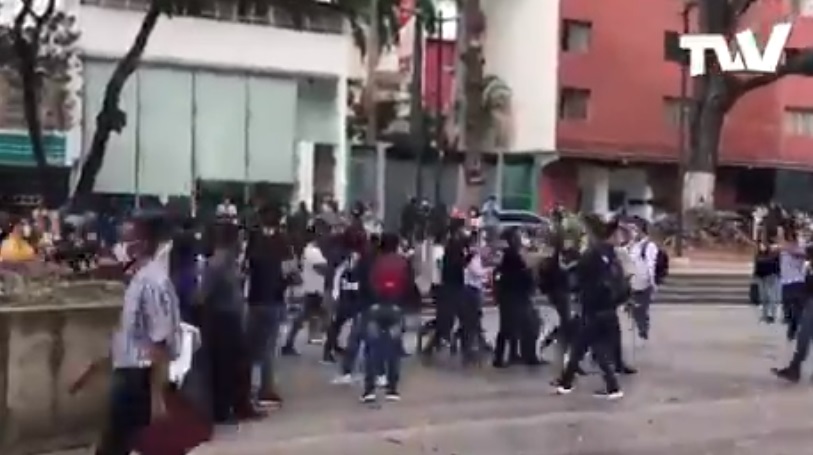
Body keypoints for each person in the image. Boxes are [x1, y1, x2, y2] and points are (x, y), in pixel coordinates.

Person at [71, 212, 182, 455]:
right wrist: (97, 368)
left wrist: (157, 397)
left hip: (139, 379)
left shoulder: (152, 283)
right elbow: (131, 336)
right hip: (130, 375)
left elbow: (159, 342)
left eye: (127, 238)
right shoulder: (139, 280)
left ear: (142, 243)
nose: (121, 245)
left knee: (117, 445)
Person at [553, 214, 625, 400]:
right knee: (593, 347)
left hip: (594, 308)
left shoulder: (594, 253)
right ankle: (610, 386)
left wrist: (575, 288)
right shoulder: (610, 256)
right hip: (607, 308)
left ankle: (566, 383)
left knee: (580, 346)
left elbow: (578, 276)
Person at [245, 205, 296, 406]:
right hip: (274, 299)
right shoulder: (283, 242)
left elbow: (245, 267)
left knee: (250, 346)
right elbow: (291, 273)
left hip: (254, 298)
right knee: (268, 347)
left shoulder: (253, 240)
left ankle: (245, 387)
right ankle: (266, 389)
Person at [362, 232, 411, 402]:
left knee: (372, 349)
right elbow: (408, 285)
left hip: (375, 308)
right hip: (396, 308)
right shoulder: (403, 262)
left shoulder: (375, 262)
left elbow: (367, 284)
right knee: (394, 349)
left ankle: (369, 389)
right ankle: (392, 389)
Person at [493, 229, 538, 367]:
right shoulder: (511, 255)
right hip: (513, 296)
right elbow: (520, 272)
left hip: (513, 296)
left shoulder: (511, 254)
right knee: (509, 327)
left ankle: (513, 355)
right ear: (512, 239)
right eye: (518, 236)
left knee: (513, 327)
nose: (521, 239)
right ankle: (500, 358)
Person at [282, 228, 328, 355]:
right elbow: (321, 268)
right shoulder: (313, 251)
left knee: (312, 317)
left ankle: (292, 342)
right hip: (313, 290)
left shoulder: (313, 250)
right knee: (320, 316)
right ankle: (329, 345)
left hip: (314, 289)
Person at [626, 220, 658, 340]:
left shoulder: (649, 246)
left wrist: (653, 282)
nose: (632, 233)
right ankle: (641, 327)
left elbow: (651, 264)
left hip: (643, 282)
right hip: (633, 281)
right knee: (635, 308)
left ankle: (643, 329)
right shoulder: (634, 245)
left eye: (634, 230)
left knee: (641, 308)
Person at [753, 231, 781, 323]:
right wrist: (755, 273)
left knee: (771, 295)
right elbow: (757, 261)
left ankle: (772, 315)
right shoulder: (759, 249)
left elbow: (775, 260)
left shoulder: (774, 249)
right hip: (761, 274)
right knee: (763, 296)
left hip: (770, 274)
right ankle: (764, 315)